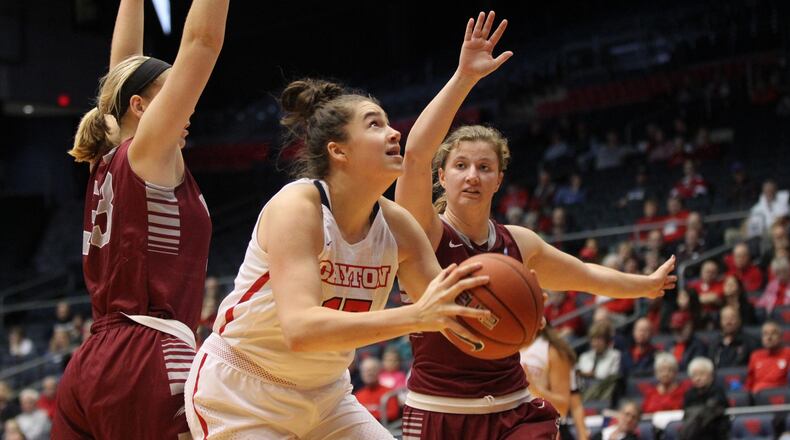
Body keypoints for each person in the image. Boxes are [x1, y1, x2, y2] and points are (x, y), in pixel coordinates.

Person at [394, 11, 676, 439]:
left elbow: (583, 275)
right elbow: (414, 155)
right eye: (461, 165)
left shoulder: (517, 243)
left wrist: (644, 285)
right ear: (441, 176)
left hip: (514, 408)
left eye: (484, 167)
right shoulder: (425, 232)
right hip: (440, 411)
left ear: (499, 179)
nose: (472, 175)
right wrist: (464, 78)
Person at [183, 78, 490, 439]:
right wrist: (416, 316)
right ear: (338, 151)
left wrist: (501, 313)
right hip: (244, 392)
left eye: (390, 123)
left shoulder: (399, 227)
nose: (394, 133)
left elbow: (452, 314)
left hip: (327, 396)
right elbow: (301, 329)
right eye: (375, 124)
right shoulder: (298, 207)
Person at [53, 0, 227, 438]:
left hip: (92, 361)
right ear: (140, 106)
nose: (185, 106)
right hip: (147, 354)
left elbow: (120, 73)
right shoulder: (149, 153)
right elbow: (202, 42)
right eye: (172, 95)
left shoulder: (107, 157)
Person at [519, 326, 578, 438]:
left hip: (543, 430)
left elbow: (563, 407)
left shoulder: (551, 350)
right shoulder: (504, 347)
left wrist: (533, 388)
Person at [681, 357, 730, 439]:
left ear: (711, 375)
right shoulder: (689, 394)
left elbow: (716, 410)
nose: (698, 378)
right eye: (694, 375)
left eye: (701, 374)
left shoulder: (717, 391)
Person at [744, 320, 790, 394]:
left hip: (780, 396)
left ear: (780, 337)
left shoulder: (788, 353)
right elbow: (749, 382)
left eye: (773, 333)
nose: (769, 337)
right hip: (758, 397)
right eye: (765, 334)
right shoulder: (755, 356)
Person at [354, 357, 400, 422]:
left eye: (372, 370)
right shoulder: (356, 396)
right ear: (361, 374)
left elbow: (393, 414)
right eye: (365, 370)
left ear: (379, 372)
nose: (369, 373)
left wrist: (367, 416)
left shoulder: (389, 392)